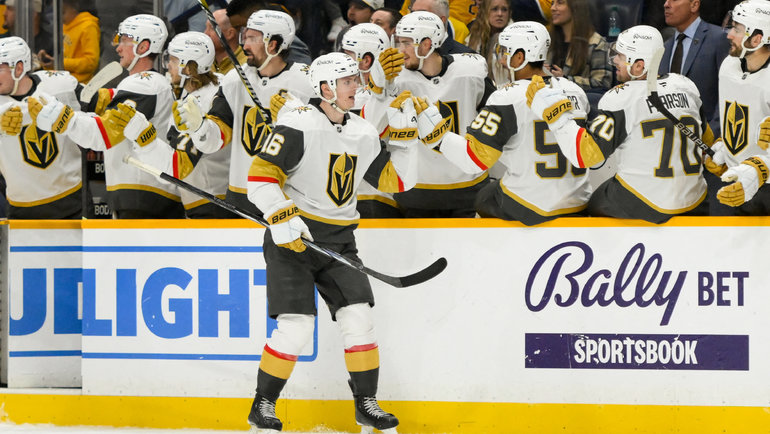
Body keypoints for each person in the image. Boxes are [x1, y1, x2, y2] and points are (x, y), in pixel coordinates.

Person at [244, 52, 418, 434]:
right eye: (347, 81)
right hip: (293, 242)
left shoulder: (364, 132)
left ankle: (366, 405)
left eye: (356, 79)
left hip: (339, 243)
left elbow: (397, 182)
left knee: (359, 319)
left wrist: (407, 143)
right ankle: (263, 405)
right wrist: (281, 215)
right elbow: (259, 178)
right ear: (325, 88)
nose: (356, 86)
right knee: (296, 328)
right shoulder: (298, 123)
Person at [527, 25, 711, 223]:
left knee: (593, 203)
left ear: (639, 66)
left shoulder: (621, 98)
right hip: (696, 201)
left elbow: (585, 156)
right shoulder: (685, 85)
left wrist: (556, 115)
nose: (615, 60)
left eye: (621, 56)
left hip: (647, 205)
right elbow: (707, 140)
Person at [29, 14, 184, 219]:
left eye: (125, 40)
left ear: (143, 47)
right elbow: (97, 100)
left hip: (145, 195)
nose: (118, 48)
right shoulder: (147, 84)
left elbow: (105, 134)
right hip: (143, 195)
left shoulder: (144, 85)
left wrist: (64, 120)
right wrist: (61, 86)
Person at [437, 22, 591, 225]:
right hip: (578, 202)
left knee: (485, 196)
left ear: (520, 57)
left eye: (505, 52)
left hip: (532, 206)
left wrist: (438, 136)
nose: (501, 60)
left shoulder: (506, 97)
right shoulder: (575, 90)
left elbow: (474, 159)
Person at [176, 9, 314, 216]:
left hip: (288, 201)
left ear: (273, 44)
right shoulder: (235, 80)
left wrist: (298, 119)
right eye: (244, 36)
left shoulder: (308, 83)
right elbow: (214, 141)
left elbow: (323, 144)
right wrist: (199, 127)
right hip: (241, 199)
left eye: (252, 38)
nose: (244, 45)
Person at [364, 10, 496, 217]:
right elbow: (371, 131)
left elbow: (495, 120)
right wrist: (379, 91)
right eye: (398, 42)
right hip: (417, 193)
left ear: (426, 44)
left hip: (469, 189)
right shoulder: (395, 78)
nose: (400, 50)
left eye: (406, 43)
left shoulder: (471, 71)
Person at [0, 37, 83, 219]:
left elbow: (97, 112)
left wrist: (69, 117)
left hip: (72, 201)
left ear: (18, 68)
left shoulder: (60, 86)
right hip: (21, 209)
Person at [707, 0, 770, 214]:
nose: (729, 35)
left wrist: (758, 170)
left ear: (757, 38)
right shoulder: (729, 65)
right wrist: (724, 147)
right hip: (734, 180)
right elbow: (734, 118)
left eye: (737, 29)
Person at [341, 22, 404, 218]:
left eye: (347, 55)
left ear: (366, 60)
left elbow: (364, 136)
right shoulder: (345, 93)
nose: (341, 61)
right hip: (349, 193)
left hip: (375, 196)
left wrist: (381, 95)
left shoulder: (394, 93)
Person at [658, 0, 729, 139]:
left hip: (708, 139)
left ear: (694, 5)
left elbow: (727, 91)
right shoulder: (665, 46)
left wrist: (712, 137)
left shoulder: (719, 38)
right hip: (671, 140)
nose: (666, 4)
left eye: (674, 0)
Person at [547, 0, 612, 94]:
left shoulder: (597, 42)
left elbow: (602, 83)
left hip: (579, 100)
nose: (553, 8)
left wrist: (565, 80)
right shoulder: (549, 40)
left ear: (575, 7)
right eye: (552, 3)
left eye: (560, 3)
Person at [226, 0, 313, 64]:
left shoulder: (286, 41)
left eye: (241, 27)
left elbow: (303, 75)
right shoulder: (255, 43)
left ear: (256, 16)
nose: (239, 32)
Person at [37, 0, 100, 84]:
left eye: (63, 13)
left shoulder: (88, 27)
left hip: (81, 83)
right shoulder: (65, 26)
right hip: (64, 78)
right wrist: (49, 62)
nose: (60, 18)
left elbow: (90, 63)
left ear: (74, 9)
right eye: (57, 14)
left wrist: (60, 63)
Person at [466, 0, 513, 86]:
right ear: (485, 11)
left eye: (504, 9)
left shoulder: (515, 38)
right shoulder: (473, 35)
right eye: (494, 9)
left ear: (509, 13)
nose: (500, 14)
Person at [409, 0, 475, 55]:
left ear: (441, 19)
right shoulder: (405, 32)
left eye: (422, 13)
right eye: (412, 12)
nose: (415, 17)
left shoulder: (458, 29)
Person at [204, 9, 248, 75]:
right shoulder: (203, 62)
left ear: (230, 34)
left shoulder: (246, 65)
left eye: (212, 28)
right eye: (206, 27)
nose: (206, 34)